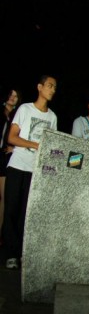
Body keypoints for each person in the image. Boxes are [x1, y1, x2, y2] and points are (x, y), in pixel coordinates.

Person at [2, 75, 58, 269]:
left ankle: (21, 253)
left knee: (26, 213)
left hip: (35, 170)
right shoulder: (25, 109)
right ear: (40, 87)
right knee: (11, 209)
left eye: (55, 87)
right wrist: (35, 144)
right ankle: (10, 254)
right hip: (18, 165)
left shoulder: (52, 117)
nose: (52, 90)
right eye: (49, 86)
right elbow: (11, 137)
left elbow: (52, 146)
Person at [0, 87, 20, 247]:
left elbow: (17, 137)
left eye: (16, 96)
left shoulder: (16, 116)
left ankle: (2, 235)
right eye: (11, 95)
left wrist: (14, 148)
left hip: (5, 157)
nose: (13, 98)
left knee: (3, 198)